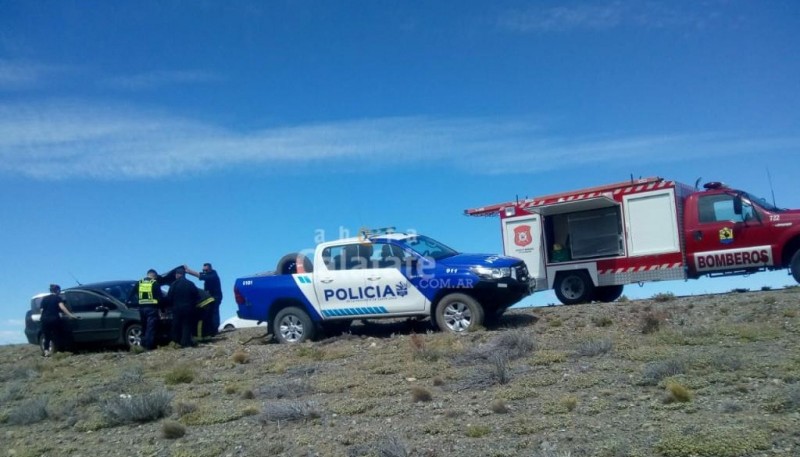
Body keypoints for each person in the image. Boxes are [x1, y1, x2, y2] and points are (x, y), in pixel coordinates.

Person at [39, 284, 78, 357]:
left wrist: (42, 318)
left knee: (47, 336)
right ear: (57, 290)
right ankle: (62, 349)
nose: (59, 291)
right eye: (59, 290)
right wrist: (70, 315)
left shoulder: (45, 298)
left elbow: (41, 310)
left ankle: (46, 351)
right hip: (54, 318)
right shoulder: (58, 298)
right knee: (59, 334)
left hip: (45, 319)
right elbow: (62, 307)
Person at [185, 262, 222, 337]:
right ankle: (211, 330)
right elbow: (200, 274)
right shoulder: (208, 274)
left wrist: (189, 271)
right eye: (204, 270)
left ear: (210, 268)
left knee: (214, 313)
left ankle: (214, 330)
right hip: (210, 297)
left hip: (215, 297)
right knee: (210, 313)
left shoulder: (213, 275)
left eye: (206, 269)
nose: (204, 271)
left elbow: (200, 276)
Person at [167, 267, 200, 347]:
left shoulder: (174, 284)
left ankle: (176, 342)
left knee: (176, 325)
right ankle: (186, 342)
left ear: (178, 275)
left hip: (177, 308)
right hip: (188, 308)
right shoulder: (190, 283)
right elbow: (197, 296)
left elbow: (169, 297)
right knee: (187, 325)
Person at [134, 269, 164, 350]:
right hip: (151, 308)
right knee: (150, 328)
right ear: (154, 276)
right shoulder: (154, 283)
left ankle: (143, 344)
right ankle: (149, 346)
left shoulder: (139, 283)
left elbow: (133, 294)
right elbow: (160, 297)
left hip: (141, 309)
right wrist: (162, 309)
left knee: (144, 327)